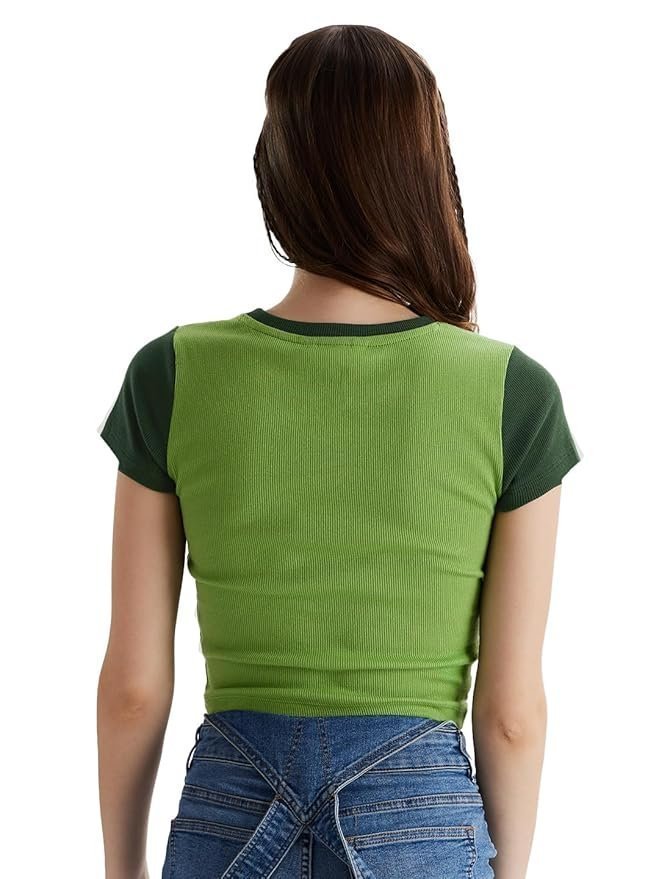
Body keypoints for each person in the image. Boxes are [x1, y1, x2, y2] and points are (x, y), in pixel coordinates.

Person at [96, 24, 583, 879]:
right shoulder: (513, 391)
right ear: (424, 173)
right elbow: (510, 714)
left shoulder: (171, 373)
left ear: (275, 171)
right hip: (417, 816)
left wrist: (121, 870)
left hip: (229, 806)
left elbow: (135, 688)